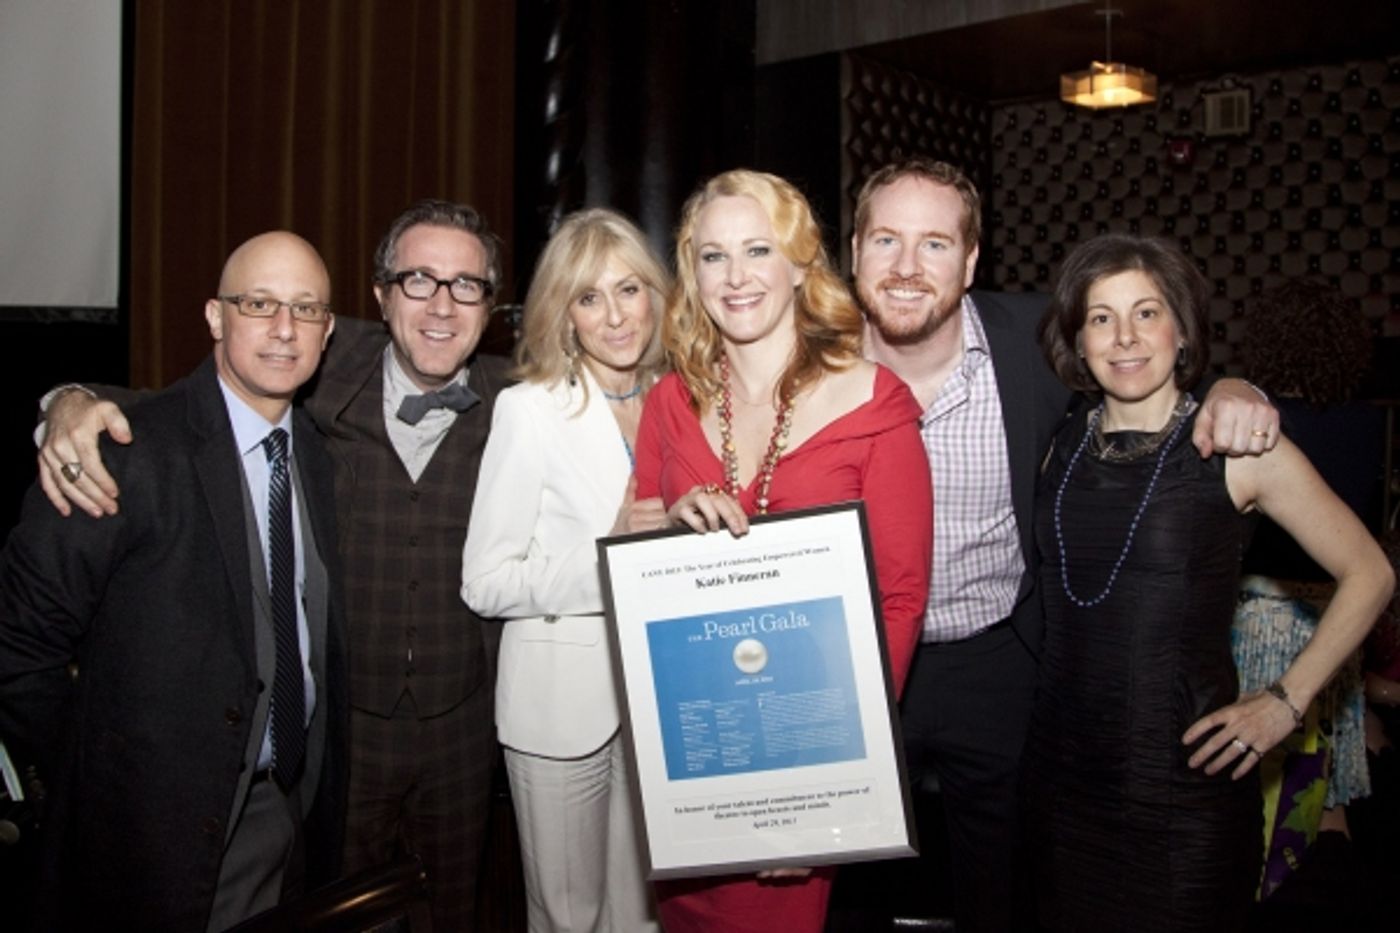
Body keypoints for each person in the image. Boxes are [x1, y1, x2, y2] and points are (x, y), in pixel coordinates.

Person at [33, 200, 511, 931]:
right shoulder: (320, 362)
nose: (441, 305)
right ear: (381, 297)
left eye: (466, 285)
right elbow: (178, 409)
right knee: (328, 911)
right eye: (418, 280)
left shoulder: (521, 400)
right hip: (340, 732)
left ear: (490, 305)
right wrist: (67, 401)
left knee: (451, 912)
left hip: (461, 731)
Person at [851, 157, 1282, 933]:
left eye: (935, 244)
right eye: (886, 239)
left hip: (1001, 664)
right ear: (855, 251)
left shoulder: (1030, 341)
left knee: (1010, 889)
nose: (908, 266)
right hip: (860, 662)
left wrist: (1232, 387)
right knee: (842, 881)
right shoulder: (808, 356)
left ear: (970, 260)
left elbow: (1144, 363)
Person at [1023, 233, 1393, 931]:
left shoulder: (1238, 448)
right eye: (1101, 317)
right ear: (1079, 340)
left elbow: (1370, 572)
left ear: (1184, 330)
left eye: (1147, 312)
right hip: (1063, 781)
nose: (1125, 336)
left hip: (1182, 791)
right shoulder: (1060, 442)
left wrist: (1286, 701)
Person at [0, 232, 346, 930]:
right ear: (216, 316)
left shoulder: (315, 454)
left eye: (306, 308)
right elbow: (19, 643)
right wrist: (95, 784)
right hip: (141, 840)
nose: (285, 328)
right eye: (260, 303)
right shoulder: (120, 453)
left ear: (328, 330)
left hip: (283, 813)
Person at [633, 168, 933, 932]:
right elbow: (634, 552)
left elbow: (899, 600)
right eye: (713, 256)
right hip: (696, 748)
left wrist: (826, 791)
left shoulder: (875, 403)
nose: (735, 276)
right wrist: (667, 528)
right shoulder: (669, 401)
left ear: (800, 264)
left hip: (808, 739)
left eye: (758, 249)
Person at [460, 208, 668, 932]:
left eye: (629, 290)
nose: (615, 316)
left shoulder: (683, 400)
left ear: (655, 295)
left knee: (644, 916)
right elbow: (485, 581)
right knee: (568, 917)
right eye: (589, 297)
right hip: (558, 708)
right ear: (564, 314)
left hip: (661, 698)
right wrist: (610, 552)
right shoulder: (530, 410)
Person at [1231, 279, 1385, 897]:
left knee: (1252, 784)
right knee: (1324, 793)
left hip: (1260, 623)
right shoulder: (1370, 424)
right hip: (1336, 625)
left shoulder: (1259, 430)